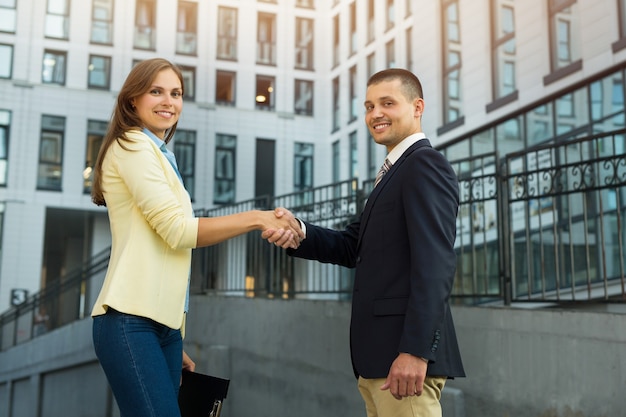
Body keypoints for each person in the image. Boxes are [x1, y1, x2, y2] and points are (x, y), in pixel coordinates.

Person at [90, 58, 303, 417]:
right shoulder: (132, 145)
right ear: (132, 101)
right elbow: (177, 231)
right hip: (129, 320)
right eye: (155, 91)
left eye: (176, 93)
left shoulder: (159, 154)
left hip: (163, 328)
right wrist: (256, 218)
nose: (168, 101)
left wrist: (170, 337)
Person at [265, 68, 465, 417]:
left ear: (418, 107)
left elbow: (435, 264)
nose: (375, 114)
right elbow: (351, 245)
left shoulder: (424, 165)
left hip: (403, 362)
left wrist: (416, 351)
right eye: (369, 106)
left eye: (388, 103)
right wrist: (299, 231)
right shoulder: (394, 172)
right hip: (379, 361)